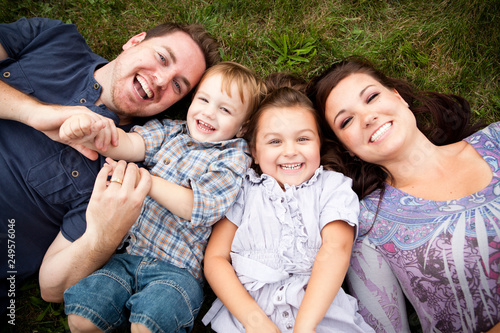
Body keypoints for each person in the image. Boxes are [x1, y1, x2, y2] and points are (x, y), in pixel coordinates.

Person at [0, 16, 220, 309]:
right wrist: (33, 113)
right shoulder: (56, 37)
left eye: (178, 86)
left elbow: (51, 288)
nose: (161, 80)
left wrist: (103, 236)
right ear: (135, 41)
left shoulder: (123, 173)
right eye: (162, 58)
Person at [60, 61, 261, 332]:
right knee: (83, 317)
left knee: (149, 324)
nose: (209, 113)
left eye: (224, 110)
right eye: (204, 99)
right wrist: (94, 135)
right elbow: (129, 144)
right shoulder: (170, 131)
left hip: (177, 272)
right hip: (125, 257)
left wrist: (145, 181)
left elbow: (198, 207)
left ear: (242, 128)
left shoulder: (234, 156)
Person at [308, 57, 500, 333]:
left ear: (399, 98)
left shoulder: (495, 139)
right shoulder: (368, 225)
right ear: (346, 148)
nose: (367, 117)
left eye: (372, 97)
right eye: (347, 120)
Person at [201, 74, 374, 332]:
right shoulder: (242, 190)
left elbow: (336, 249)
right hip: (247, 320)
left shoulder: (332, 187)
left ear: (319, 144)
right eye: (274, 141)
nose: (290, 150)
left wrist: (305, 326)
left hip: (322, 318)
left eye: (303, 139)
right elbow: (215, 258)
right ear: (255, 152)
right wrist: (254, 321)